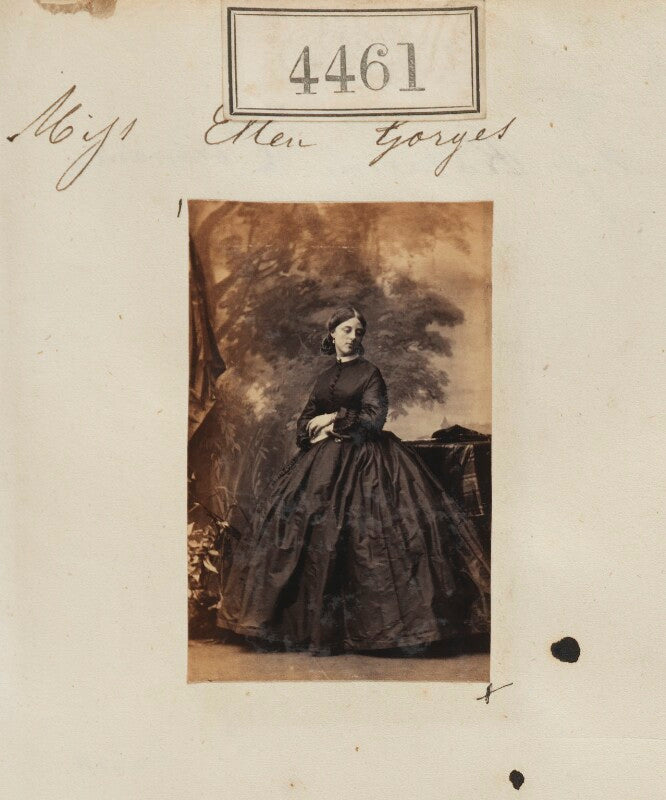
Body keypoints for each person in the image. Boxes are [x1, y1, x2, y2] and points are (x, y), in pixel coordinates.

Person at [216, 306, 490, 655]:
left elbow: (374, 418)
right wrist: (315, 426)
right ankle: (299, 626)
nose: (352, 336)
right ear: (332, 334)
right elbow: (305, 421)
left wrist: (333, 418)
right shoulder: (323, 378)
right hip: (322, 461)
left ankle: (379, 630)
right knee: (303, 524)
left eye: (358, 331)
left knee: (369, 536)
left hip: (367, 459)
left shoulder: (370, 373)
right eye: (346, 330)